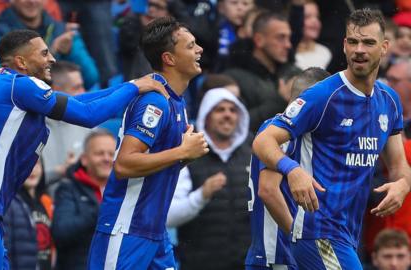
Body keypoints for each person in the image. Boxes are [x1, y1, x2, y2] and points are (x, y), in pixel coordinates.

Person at [0, 29, 168, 270]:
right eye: (44, 53)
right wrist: (134, 88)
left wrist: (132, 85)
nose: (52, 58)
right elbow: (89, 115)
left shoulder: (2, 81)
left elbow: (79, 102)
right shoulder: (20, 86)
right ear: (21, 62)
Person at [253, 8, 411, 270]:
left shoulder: (389, 101)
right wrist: (291, 170)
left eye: (368, 42)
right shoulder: (323, 96)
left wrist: (403, 184)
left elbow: (398, 165)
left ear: (384, 47)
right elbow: (263, 141)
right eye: (353, 41)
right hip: (318, 231)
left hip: (349, 232)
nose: (359, 49)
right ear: (344, 45)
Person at [87, 16, 209, 269]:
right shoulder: (155, 102)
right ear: (169, 59)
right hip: (127, 228)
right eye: (191, 46)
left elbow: (157, 165)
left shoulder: (177, 102)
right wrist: (181, 152)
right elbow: (124, 165)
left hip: (155, 230)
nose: (200, 50)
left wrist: (185, 157)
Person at [249, 67, 330, 270]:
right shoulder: (282, 133)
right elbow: (268, 190)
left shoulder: (303, 134)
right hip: (278, 255)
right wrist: (301, 241)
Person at [167, 87, 251, 270]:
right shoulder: (188, 155)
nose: (227, 115)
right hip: (200, 263)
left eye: (232, 110)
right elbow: (169, 216)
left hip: (248, 263)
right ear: (206, 116)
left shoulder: (253, 152)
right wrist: (202, 195)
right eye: (220, 110)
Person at [0, 0, 100, 88]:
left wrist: (71, 52)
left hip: (59, 108)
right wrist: (52, 52)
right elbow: (4, 79)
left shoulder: (63, 31)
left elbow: (90, 78)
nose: (32, 1)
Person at [224, 11, 301, 133]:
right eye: (281, 37)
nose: (288, 45)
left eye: (289, 38)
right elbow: (236, 125)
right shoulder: (233, 78)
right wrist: (280, 100)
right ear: (259, 40)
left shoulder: (295, 74)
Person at [52, 129, 115, 270]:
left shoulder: (124, 192)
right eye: (100, 153)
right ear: (84, 159)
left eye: (111, 154)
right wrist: (100, 211)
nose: (106, 158)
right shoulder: (68, 189)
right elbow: (61, 233)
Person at [42, 61, 91, 190]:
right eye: (77, 87)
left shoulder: (88, 125)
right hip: (38, 205)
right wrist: (58, 172)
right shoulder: (31, 128)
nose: (84, 92)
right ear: (57, 92)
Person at [4, 159, 54, 270]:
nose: (32, 169)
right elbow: (5, 248)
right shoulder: (10, 204)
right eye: (26, 163)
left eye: (37, 164)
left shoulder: (46, 202)